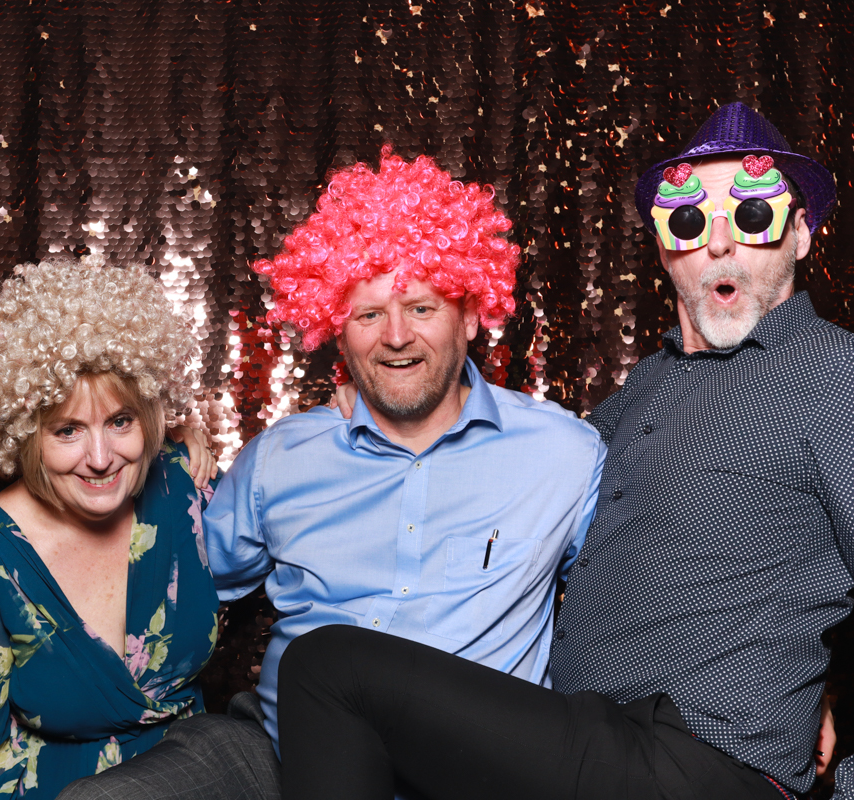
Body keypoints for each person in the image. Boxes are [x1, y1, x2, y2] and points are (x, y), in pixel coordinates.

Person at [276, 102, 854, 800]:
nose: (721, 245)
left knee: (328, 668)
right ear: (665, 244)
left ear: (800, 233)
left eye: (754, 217)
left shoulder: (833, 376)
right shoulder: (634, 399)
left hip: (698, 759)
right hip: (587, 742)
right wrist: (368, 396)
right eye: (691, 221)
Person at [57, 146, 607, 800]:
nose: (395, 336)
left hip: (467, 778)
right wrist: (164, 442)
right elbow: (172, 583)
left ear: (468, 314)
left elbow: (629, 614)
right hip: (283, 759)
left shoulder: (562, 454)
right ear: (336, 332)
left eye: (422, 308)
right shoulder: (285, 459)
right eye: (368, 314)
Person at [0, 256, 220, 798]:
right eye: (68, 430)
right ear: (25, 434)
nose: (101, 458)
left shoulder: (176, 487)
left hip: (199, 779)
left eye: (120, 422)